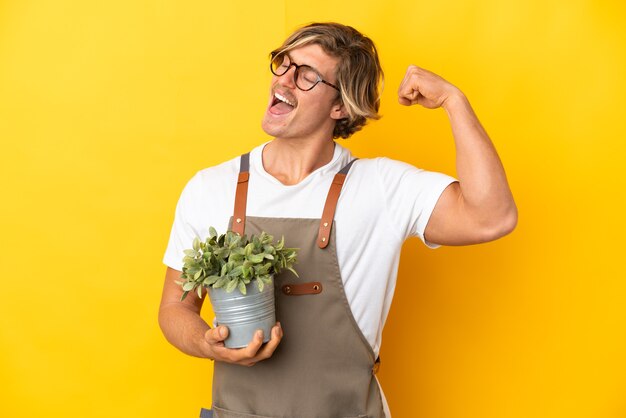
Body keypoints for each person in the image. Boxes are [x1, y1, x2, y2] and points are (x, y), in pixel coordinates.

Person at [159, 22, 517, 418]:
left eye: (307, 75)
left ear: (340, 106)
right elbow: (175, 310)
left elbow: (492, 217)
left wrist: (454, 101)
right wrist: (206, 343)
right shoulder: (210, 187)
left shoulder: (381, 187)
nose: (285, 81)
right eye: (284, 63)